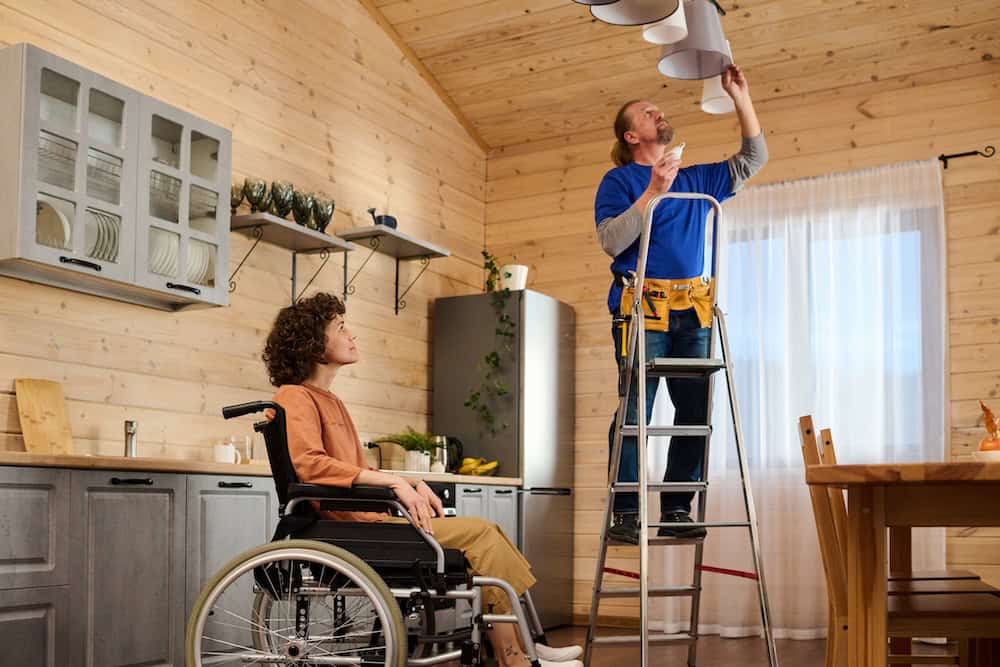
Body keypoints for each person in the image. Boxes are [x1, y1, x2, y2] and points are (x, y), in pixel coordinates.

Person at [262, 292, 582, 667]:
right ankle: (515, 656)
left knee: (488, 532)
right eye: (341, 328)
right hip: (350, 531)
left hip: (369, 522)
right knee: (481, 535)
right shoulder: (294, 396)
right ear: (314, 343)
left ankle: (525, 646)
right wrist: (395, 485)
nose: (352, 335)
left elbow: (349, 470)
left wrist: (406, 483)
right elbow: (310, 466)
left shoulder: (329, 400)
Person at [594, 65, 768, 545]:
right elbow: (611, 241)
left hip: (692, 311)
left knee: (694, 410)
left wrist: (741, 97)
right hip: (640, 310)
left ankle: (675, 507)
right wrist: (653, 191)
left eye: (659, 109)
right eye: (648, 113)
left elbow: (754, 158)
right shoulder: (621, 181)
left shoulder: (699, 178)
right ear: (632, 135)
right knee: (636, 411)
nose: (659, 111)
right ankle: (627, 511)